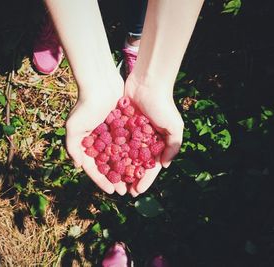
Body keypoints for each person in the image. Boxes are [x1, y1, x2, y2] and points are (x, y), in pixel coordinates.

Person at [39, 0, 204, 197]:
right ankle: (64, 23)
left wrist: (154, 81)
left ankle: (136, 36)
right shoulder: (120, 141)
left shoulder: (126, 143)